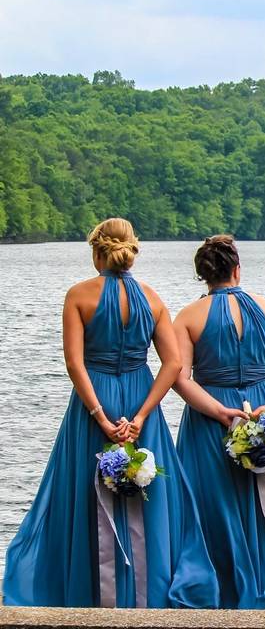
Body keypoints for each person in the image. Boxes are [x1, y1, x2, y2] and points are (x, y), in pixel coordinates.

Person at [3, 218, 218, 608]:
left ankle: (88, 590)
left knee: (82, 494)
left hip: (94, 399)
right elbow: (172, 365)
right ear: (131, 249)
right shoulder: (153, 300)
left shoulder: (79, 296)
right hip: (140, 400)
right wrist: (139, 417)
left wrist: (100, 416)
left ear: (96, 251)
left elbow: (74, 364)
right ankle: (146, 592)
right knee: (148, 497)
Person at [173, 235, 265, 609]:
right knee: (264, 499)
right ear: (237, 269)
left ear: (202, 274)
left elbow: (180, 377)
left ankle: (219, 587)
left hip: (211, 416)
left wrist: (220, 412)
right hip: (264, 408)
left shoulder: (189, 317)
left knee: (213, 501)